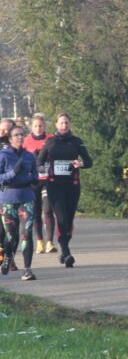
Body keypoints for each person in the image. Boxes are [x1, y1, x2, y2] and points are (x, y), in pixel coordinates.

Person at [37, 113, 92, 268]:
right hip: (54, 185)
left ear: (70, 124)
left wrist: (79, 164)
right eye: (61, 123)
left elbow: (89, 162)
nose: (64, 125)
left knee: (68, 220)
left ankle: (63, 248)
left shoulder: (76, 142)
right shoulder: (50, 142)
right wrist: (40, 167)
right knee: (61, 218)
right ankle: (67, 253)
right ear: (56, 125)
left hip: (72, 185)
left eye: (66, 123)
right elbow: (39, 160)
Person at [0, 125, 38, 280]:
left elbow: (35, 173)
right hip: (8, 199)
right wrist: (14, 172)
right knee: (11, 236)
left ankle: (27, 269)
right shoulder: (3, 155)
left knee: (27, 234)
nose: (20, 137)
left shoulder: (29, 156)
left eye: (22, 134)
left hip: (27, 198)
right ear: (10, 139)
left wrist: (32, 178)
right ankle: (8, 257)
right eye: (16, 135)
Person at [23, 113, 56, 254]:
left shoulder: (51, 139)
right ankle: (39, 241)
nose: (38, 128)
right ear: (31, 127)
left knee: (48, 210)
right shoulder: (26, 141)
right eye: (35, 126)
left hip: (48, 180)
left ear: (45, 126)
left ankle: (50, 242)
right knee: (36, 212)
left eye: (41, 126)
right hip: (34, 181)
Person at [0, 118, 16, 268]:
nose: (3, 133)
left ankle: (9, 258)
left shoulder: (16, 150)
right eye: (2, 129)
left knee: (9, 230)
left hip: (9, 194)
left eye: (7, 130)